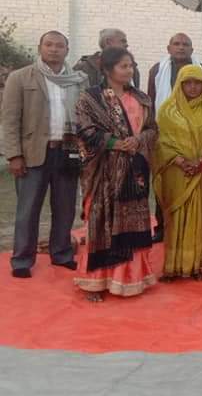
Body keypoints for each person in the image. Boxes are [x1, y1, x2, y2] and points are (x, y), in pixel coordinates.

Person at [74, 47, 157, 301]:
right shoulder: (90, 98)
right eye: (123, 66)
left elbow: (152, 129)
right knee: (101, 223)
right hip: (104, 171)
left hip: (134, 169)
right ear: (108, 69)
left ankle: (128, 280)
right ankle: (95, 283)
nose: (129, 70)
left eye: (131, 66)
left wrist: (138, 140)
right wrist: (114, 143)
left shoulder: (141, 98)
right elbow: (85, 131)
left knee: (132, 222)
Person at [2, 31, 85, 278]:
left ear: (67, 50)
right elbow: (10, 120)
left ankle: (62, 253)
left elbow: (86, 117)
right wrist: (14, 155)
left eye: (59, 46)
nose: (54, 49)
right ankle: (22, 260)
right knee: (28, 210)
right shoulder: (20, 77)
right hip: (33, 154)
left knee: (65, 208)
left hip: (68, 151)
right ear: (40, 47)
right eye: (49, 44)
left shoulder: (78, 80)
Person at [153, 65, 202, 281]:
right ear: (179, 84)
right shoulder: (167, 110)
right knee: (175, 219)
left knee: (200, 217)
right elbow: (160, 142)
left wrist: (201, 161)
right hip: (175, 172)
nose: (193, 87)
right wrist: (179, 160)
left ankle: (195, 266)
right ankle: (171, 267)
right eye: (187, 83)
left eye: (198, 83)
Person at [147, 32, 202, 243]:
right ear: (169, 48)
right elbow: (150, 101)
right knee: (166, 185)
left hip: (197, 136)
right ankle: (162, 226)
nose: (181, 47)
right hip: (168, 134)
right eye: (177, 43)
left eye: (185, 44)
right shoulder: (157, 70)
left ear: (192, 49)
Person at [74, 28, 140, 89]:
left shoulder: (132, 68)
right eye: (123, 41)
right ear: (108, 42)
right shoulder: (84, 67)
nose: (126, 45)